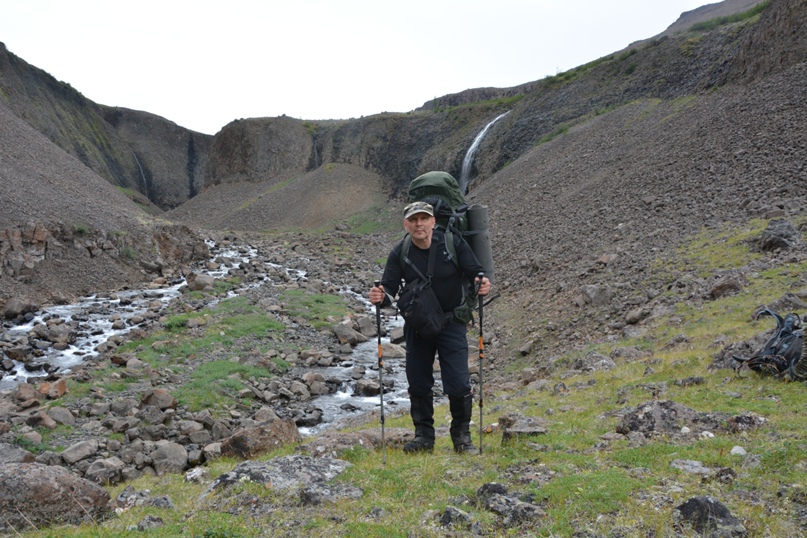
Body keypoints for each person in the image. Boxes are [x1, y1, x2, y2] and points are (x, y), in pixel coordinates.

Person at [369, 201, 491, 454]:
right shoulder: (400, 252)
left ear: (433, 221)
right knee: (418, 383)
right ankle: (424, 437)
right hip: (418, 326)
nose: (419, 224)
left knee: (458, 384)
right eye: (413, 220)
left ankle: (462, 437)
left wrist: (482, 283)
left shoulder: (452, 243)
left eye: (424, 218)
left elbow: (475, 272)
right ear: (406, 224)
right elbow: (389, 289)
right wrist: (381, 296)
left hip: (452, 323)